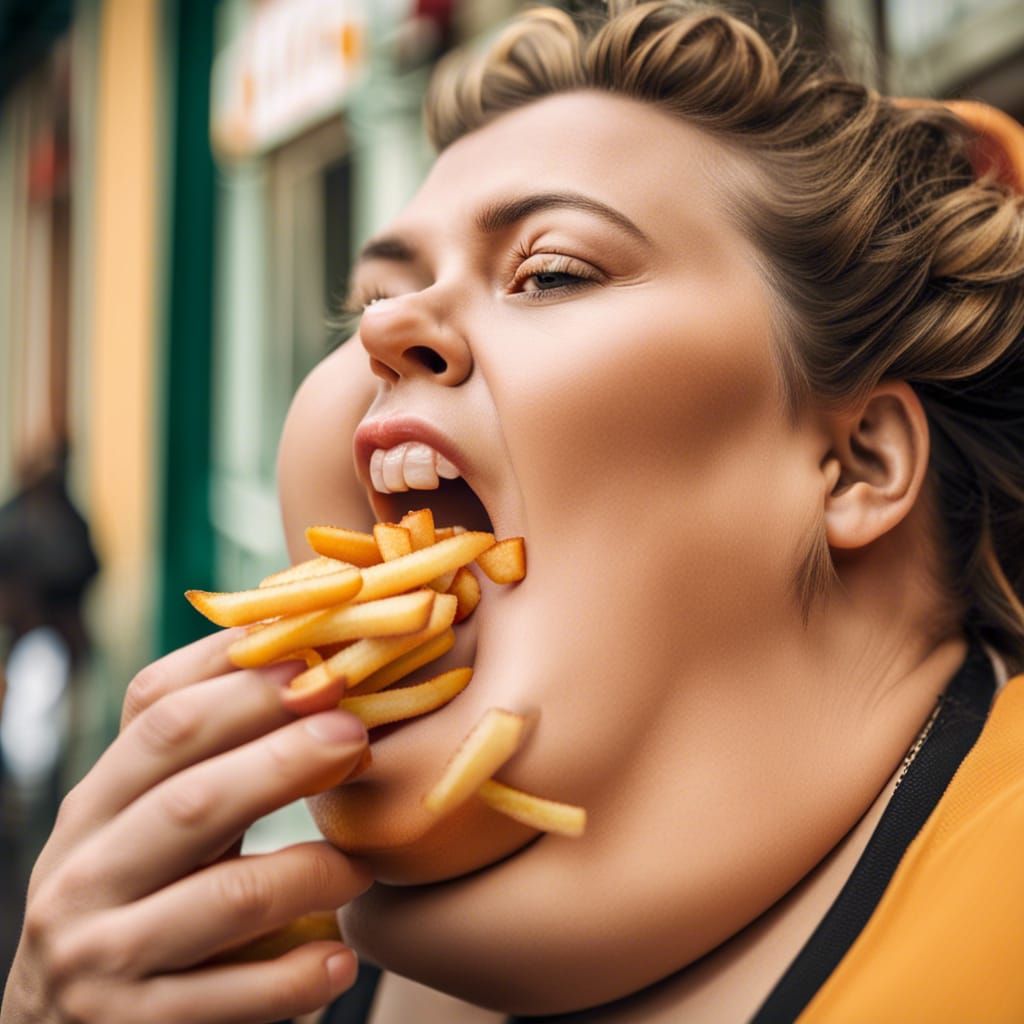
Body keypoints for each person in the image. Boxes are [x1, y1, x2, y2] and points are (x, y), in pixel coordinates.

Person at [4, 2, 1024, 1021]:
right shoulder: (237, 972)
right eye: (368, 297)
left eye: (549, 272)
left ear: (856, 462)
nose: (389, 325)